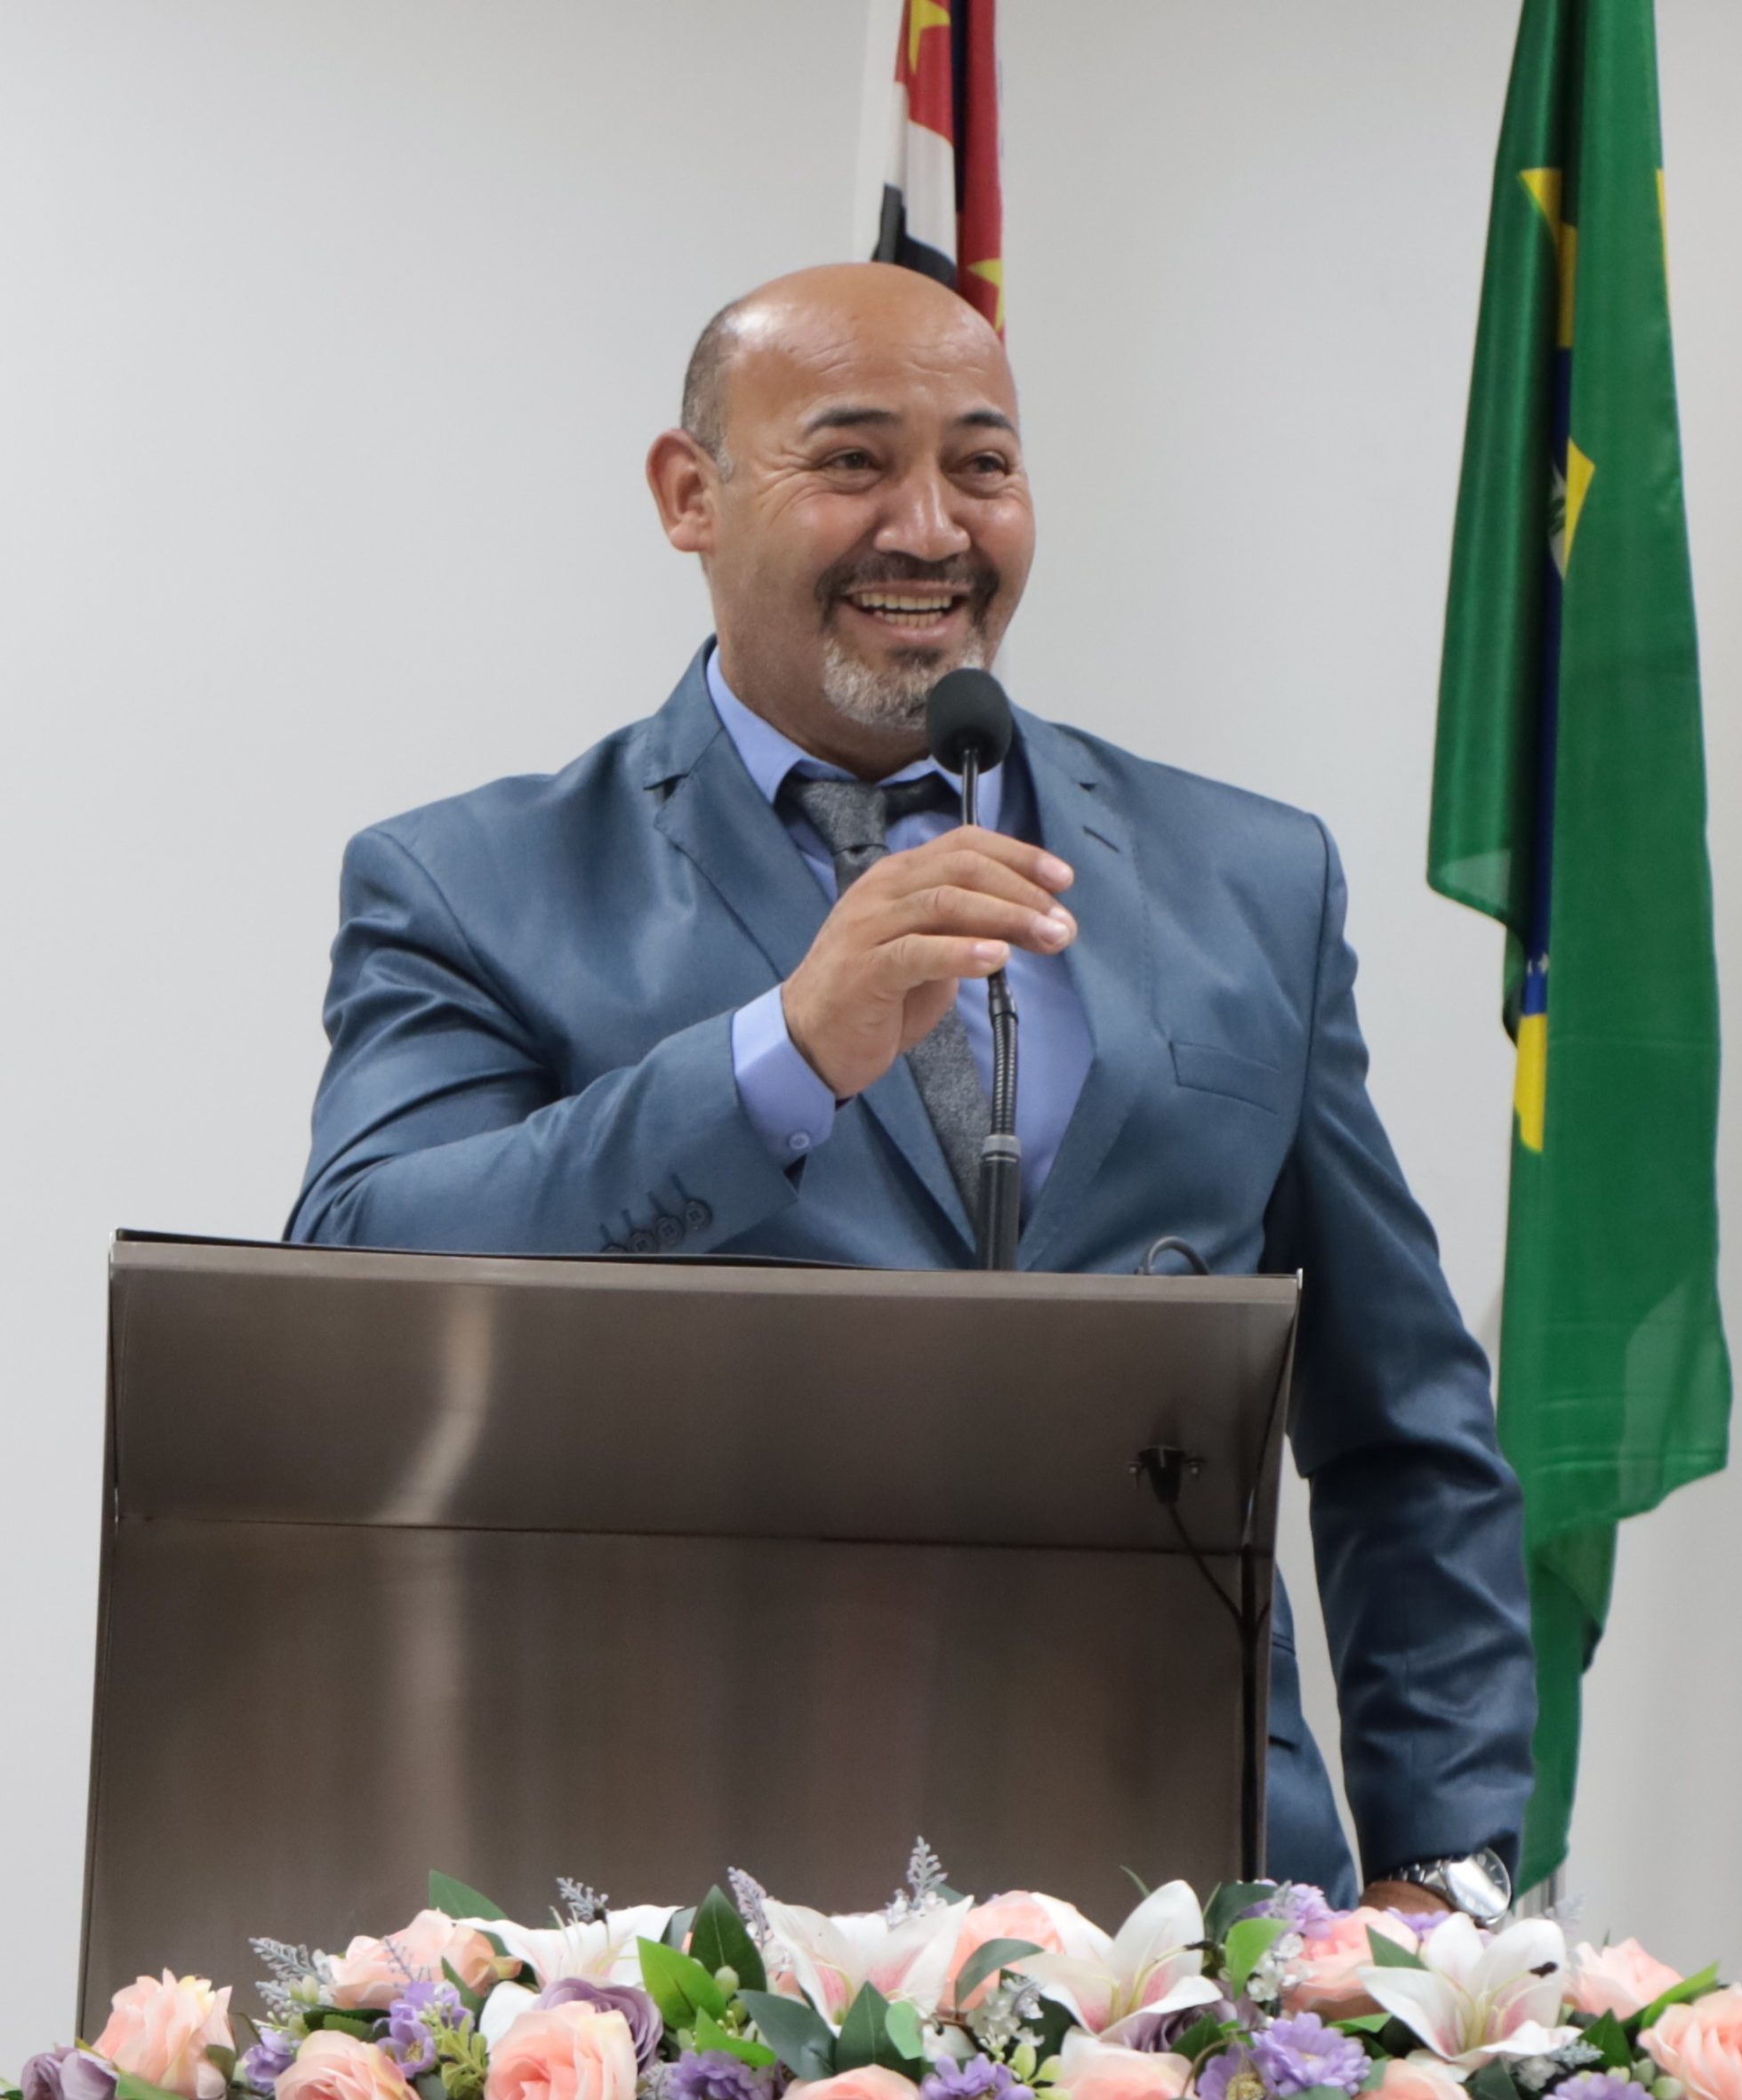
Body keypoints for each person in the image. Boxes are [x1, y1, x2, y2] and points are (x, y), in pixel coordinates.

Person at [290, 262, 1534, 1918]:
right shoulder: (474, 884)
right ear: (689, 493)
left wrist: (1449, 1887)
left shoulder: (1254, 879)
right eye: (855, 461)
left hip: (1204, 1929)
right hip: (688, 1932)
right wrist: (780, 1055)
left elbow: (1404, 1432)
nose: (932, 528)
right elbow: (359, 1272)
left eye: (983, 465)